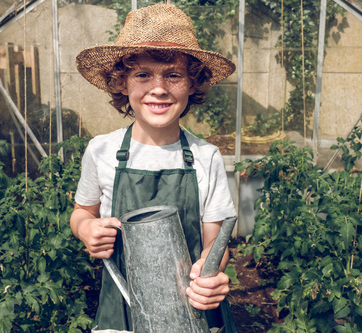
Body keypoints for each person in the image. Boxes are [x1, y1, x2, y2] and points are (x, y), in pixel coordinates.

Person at [71, 4, 237, 332]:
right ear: (121, 82)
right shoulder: (101, 151)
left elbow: (215, 245)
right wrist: (86, 230)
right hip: (122, 313)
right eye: (142, 74)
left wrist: (211, 270)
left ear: (192, 83)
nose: (158, 88)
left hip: (192, 312)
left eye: (173, 75)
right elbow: (81, 212)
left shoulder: (206, 157)